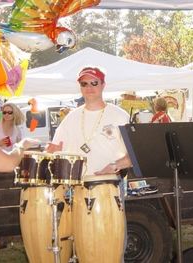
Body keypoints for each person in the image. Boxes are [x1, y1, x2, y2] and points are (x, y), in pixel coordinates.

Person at [46, 66, 131, 262]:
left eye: (94, 83)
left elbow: (135, 154)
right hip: (79, 189)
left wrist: (116, 165)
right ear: (80, 87)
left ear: (103, 85)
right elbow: (55, 148)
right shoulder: (71, 118)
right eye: (84, 83)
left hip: (111, 186)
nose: (89, 87)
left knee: (112, 244)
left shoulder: (119, 115)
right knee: (85, 245)